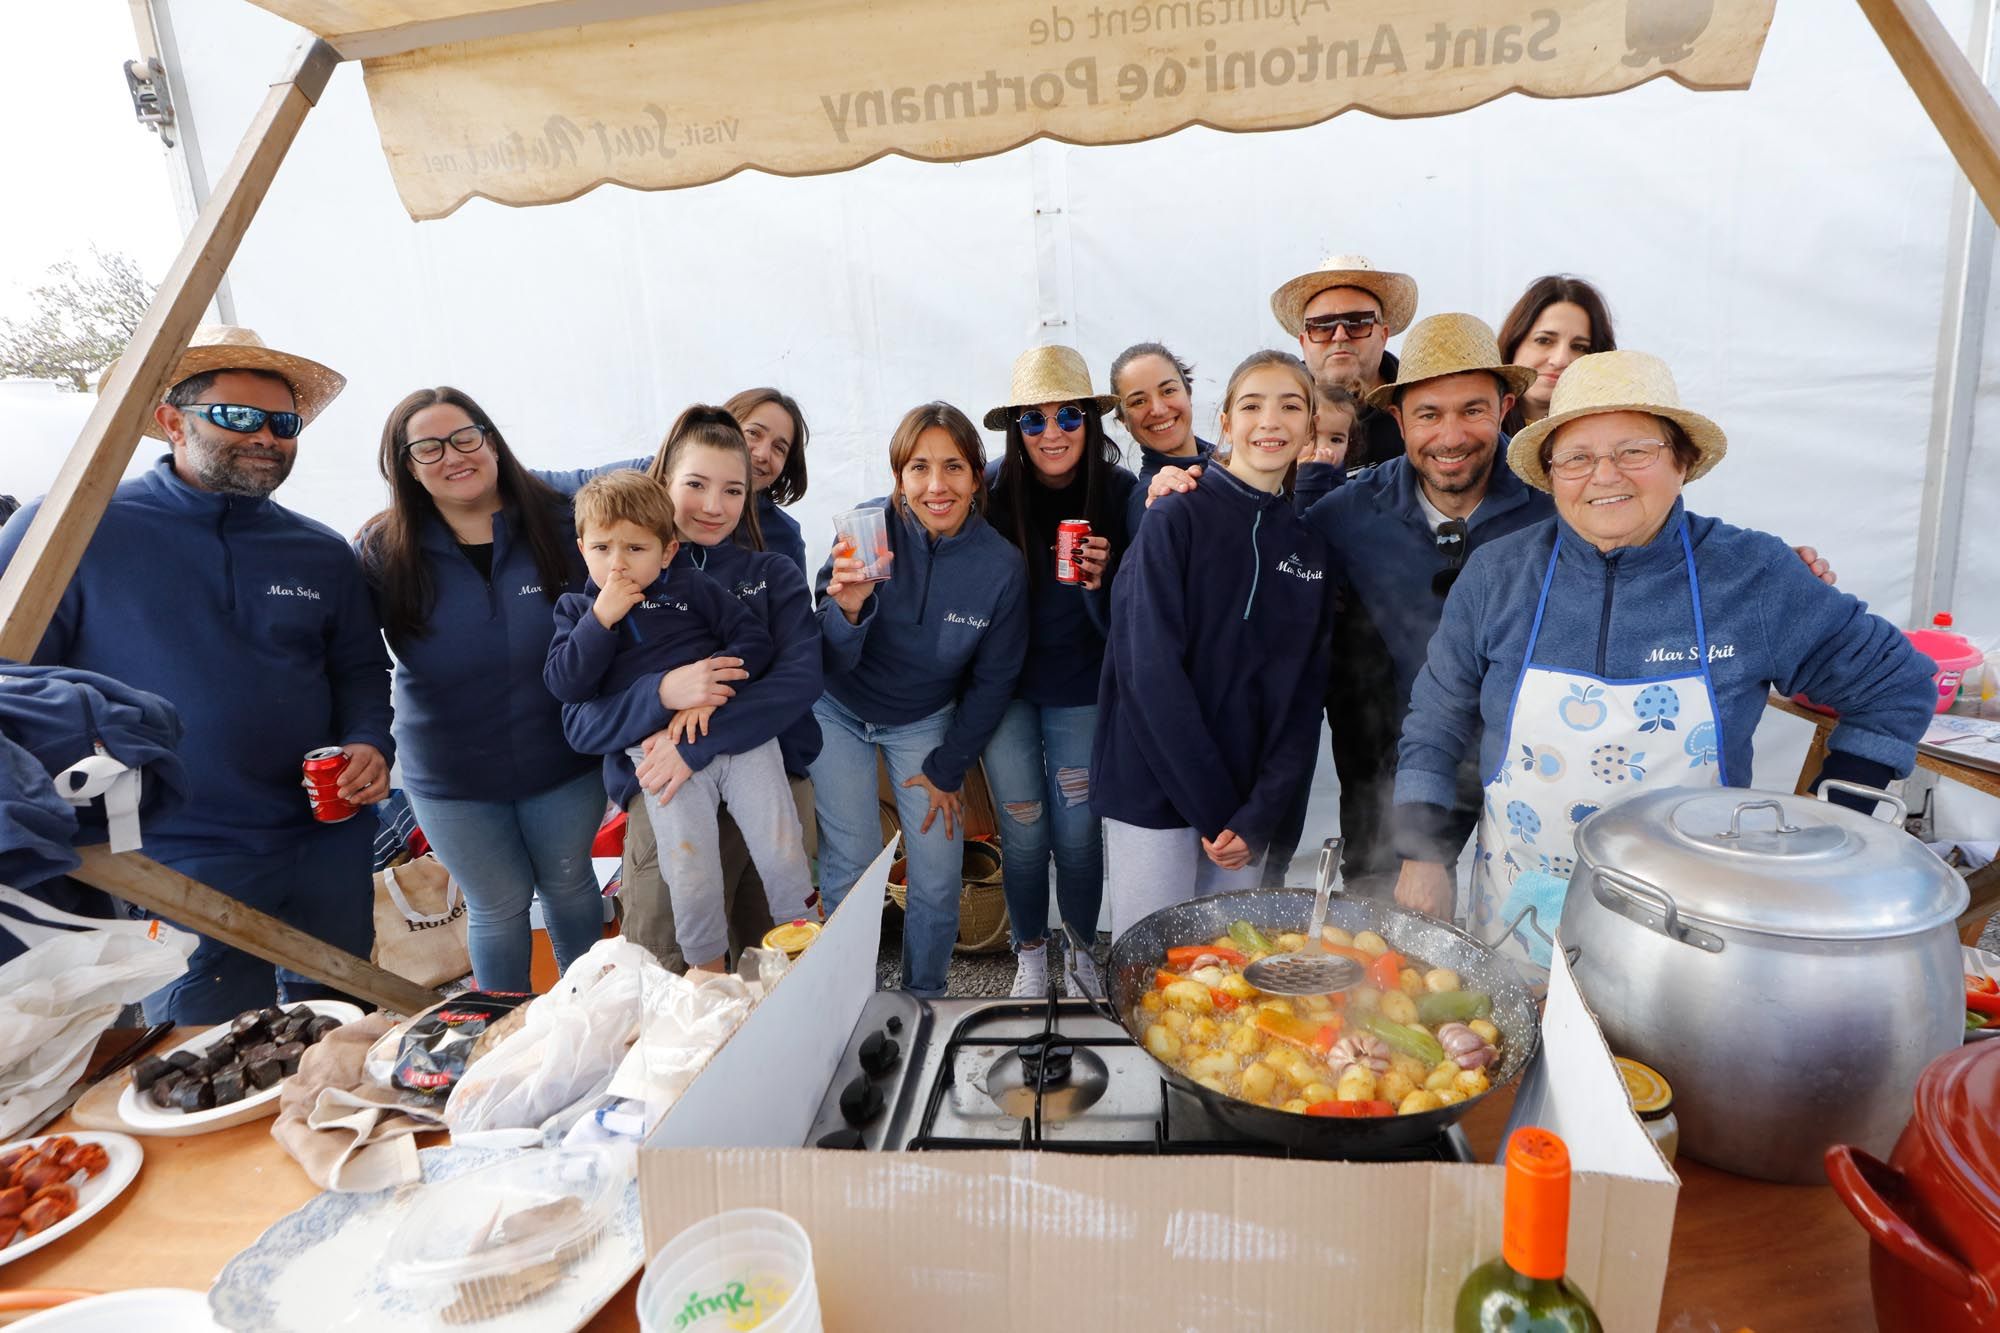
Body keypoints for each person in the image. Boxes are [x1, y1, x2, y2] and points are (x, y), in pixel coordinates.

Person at [1392, 350, 1936, 982]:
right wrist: (1422, 853)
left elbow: (1895, 684)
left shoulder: (1751, 574)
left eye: (1634, 451)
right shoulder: (1498, 575)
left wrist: (1826, 832)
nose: (1604, 476)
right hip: (1518, 913)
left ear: (1681, 461)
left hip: (1690, 933)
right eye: (1576, 457)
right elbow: (1437, 720)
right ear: (1550, 474)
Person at [0, 326, 392, 1022]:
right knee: (193, 1052)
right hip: (172, 859)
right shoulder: (68, 532)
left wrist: (369, 740)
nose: (267, 437)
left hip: (324, 838)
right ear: (170, 422)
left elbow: (361, 669)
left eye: (283, 422)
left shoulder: (319, 550)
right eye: (239, 417)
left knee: (345, 1028)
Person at [355, 387, 630, 993]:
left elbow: (646, 491)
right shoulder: (383, 548)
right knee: (498, 905)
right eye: (427, 448)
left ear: (491, 440)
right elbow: (353, 660)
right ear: (404, 466)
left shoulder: (562, 520)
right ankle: (501, 1035)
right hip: (452, 773)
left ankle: (596, 1017)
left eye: (464, 437)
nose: (453, 456)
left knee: (570, 884)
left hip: (560, 756)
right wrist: (362, 741)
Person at [559, 407, 823, 971]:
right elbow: (578, 718)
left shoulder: (769, 572)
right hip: (663, 783)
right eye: (695, 485)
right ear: (664, 481)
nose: (712, 505)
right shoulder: (600, 596)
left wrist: (699, 730)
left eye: (732, 490)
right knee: (672, 963)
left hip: (756, 767)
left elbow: (797, 678)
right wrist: (662, 692)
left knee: (776, 953)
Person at [1094, 350, 1334, 935]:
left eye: (1290, 406)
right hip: (1156, 793)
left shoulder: (1310, 551)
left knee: (1222, 976)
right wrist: (1214, 809)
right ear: (1225, 422)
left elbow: (1304, 703)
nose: (1270, 421)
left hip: (1242, 814)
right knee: (1148, 971)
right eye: (1252, 405)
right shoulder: (1174, 516)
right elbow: (1149, 673)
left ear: (1308, 428)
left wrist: (1255, 816)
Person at [811, 403, 1028, 997]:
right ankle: (844, 997)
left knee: (936, 871)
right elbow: (824, 654)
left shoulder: (999, 566)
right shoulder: (865, 532)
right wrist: (848, 609)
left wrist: (950, 765)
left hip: (922, 719)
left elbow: (994, 679)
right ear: (898, 478)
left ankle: (925, 996)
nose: (937, 486)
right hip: (838, 710)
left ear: (976, 476)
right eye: (919, 468)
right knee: (851, 867)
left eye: (954, 467)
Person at [980, 346, 1137, 997]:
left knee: (1076, 835)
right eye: (1034, 420)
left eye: (1069, 416)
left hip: (1081, 690)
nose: (1052, 434)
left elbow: (1144, 607)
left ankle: (1079, 952)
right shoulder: (989, 489)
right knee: (1022, 832)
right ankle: (1032, 954)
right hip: (1005, 692)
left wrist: (1106, 580)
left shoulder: (1121, 492)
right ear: (1015, 429)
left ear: (1091, 423)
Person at [1268, 253, 1419, 468]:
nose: (1339, 335)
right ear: (1303, 341)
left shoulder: (1422, 405)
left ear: (1383, 335)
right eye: (1322, 325)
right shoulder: (1270, 406)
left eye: (1357, 322)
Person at [1108, 342, 1211, 532]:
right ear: (1123, 420)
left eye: (1168, 391)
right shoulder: (1151, 501)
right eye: (1139, 401)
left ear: (1188, 392)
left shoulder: (1232, 462)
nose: (1159, 410)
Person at [1497, 275, 1617, 436]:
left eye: (1579, 347)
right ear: (1514, 344)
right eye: (1544, 340)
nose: (1560, 360)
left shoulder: (1614, 436)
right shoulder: (1473, 430)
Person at [727, 387, 810, 576]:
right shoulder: (656, 484)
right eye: (753, 433)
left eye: (779, 448)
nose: (763, 454)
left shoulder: (785, 537)